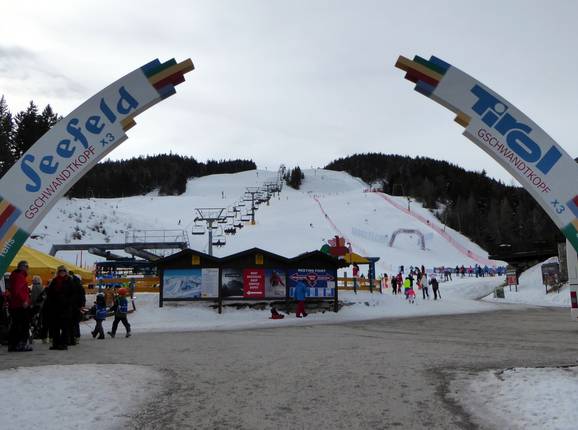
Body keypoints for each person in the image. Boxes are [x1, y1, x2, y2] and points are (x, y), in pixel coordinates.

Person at [46, 265, 75, 350]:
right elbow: (50, 293)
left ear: (66, 272)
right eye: (60, 271)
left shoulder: (69, 281)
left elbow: (73, 294)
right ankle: (56, 343)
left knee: (65, 327)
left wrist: (67, 302)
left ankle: (64, 344)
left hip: (65, 307)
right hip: (55, 307)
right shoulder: (54, 281)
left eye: (63, 271)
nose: (62, 272)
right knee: (55, 326)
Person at [6, 261, 32, 352]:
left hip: (15, 305)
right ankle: (20, 344)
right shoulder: (19, 276)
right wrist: (24, 300)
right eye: (27, 267)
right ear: (23, 267)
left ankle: (13, 344)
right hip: (20, 305)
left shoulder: (15, 275)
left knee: (16, 325)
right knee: (22, 325)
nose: (28, 269)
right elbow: (17, 291)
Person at [69, 271, 86, 344]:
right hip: (78, 307)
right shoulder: (80, 287)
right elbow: (83, 298)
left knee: (73, 323)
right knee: (76, 323)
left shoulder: (73, 286)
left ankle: (73, 337)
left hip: (73, 306)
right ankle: (76, 337)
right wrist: (81, 306)